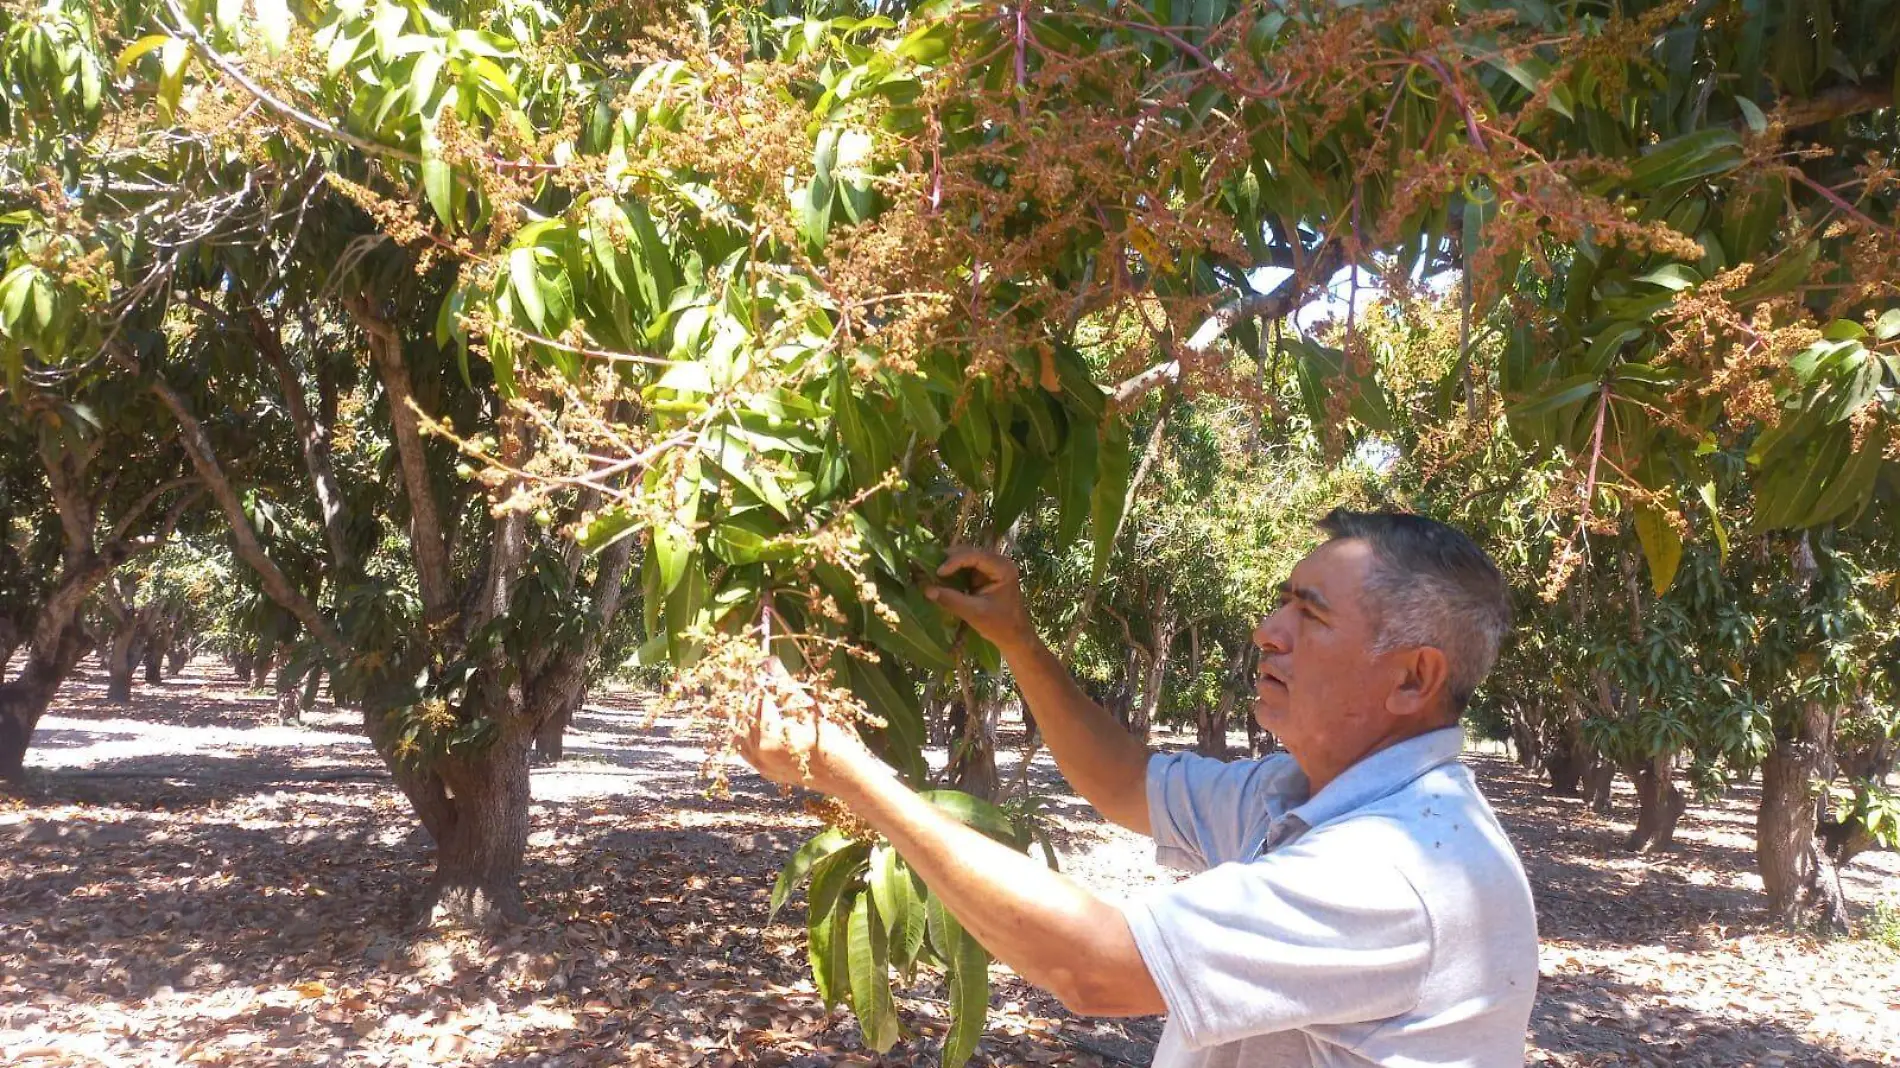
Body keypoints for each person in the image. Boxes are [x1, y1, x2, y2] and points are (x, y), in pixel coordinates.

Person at [736, 508, 1538, 1067]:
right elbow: (1123, 781)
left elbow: (1094, 968)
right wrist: (1017, 639)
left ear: (1413, 678)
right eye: (1282, 602)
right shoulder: (1301, 792)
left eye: (1311, 614)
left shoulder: (1394, 869)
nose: (1270, 630)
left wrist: (848, 771)